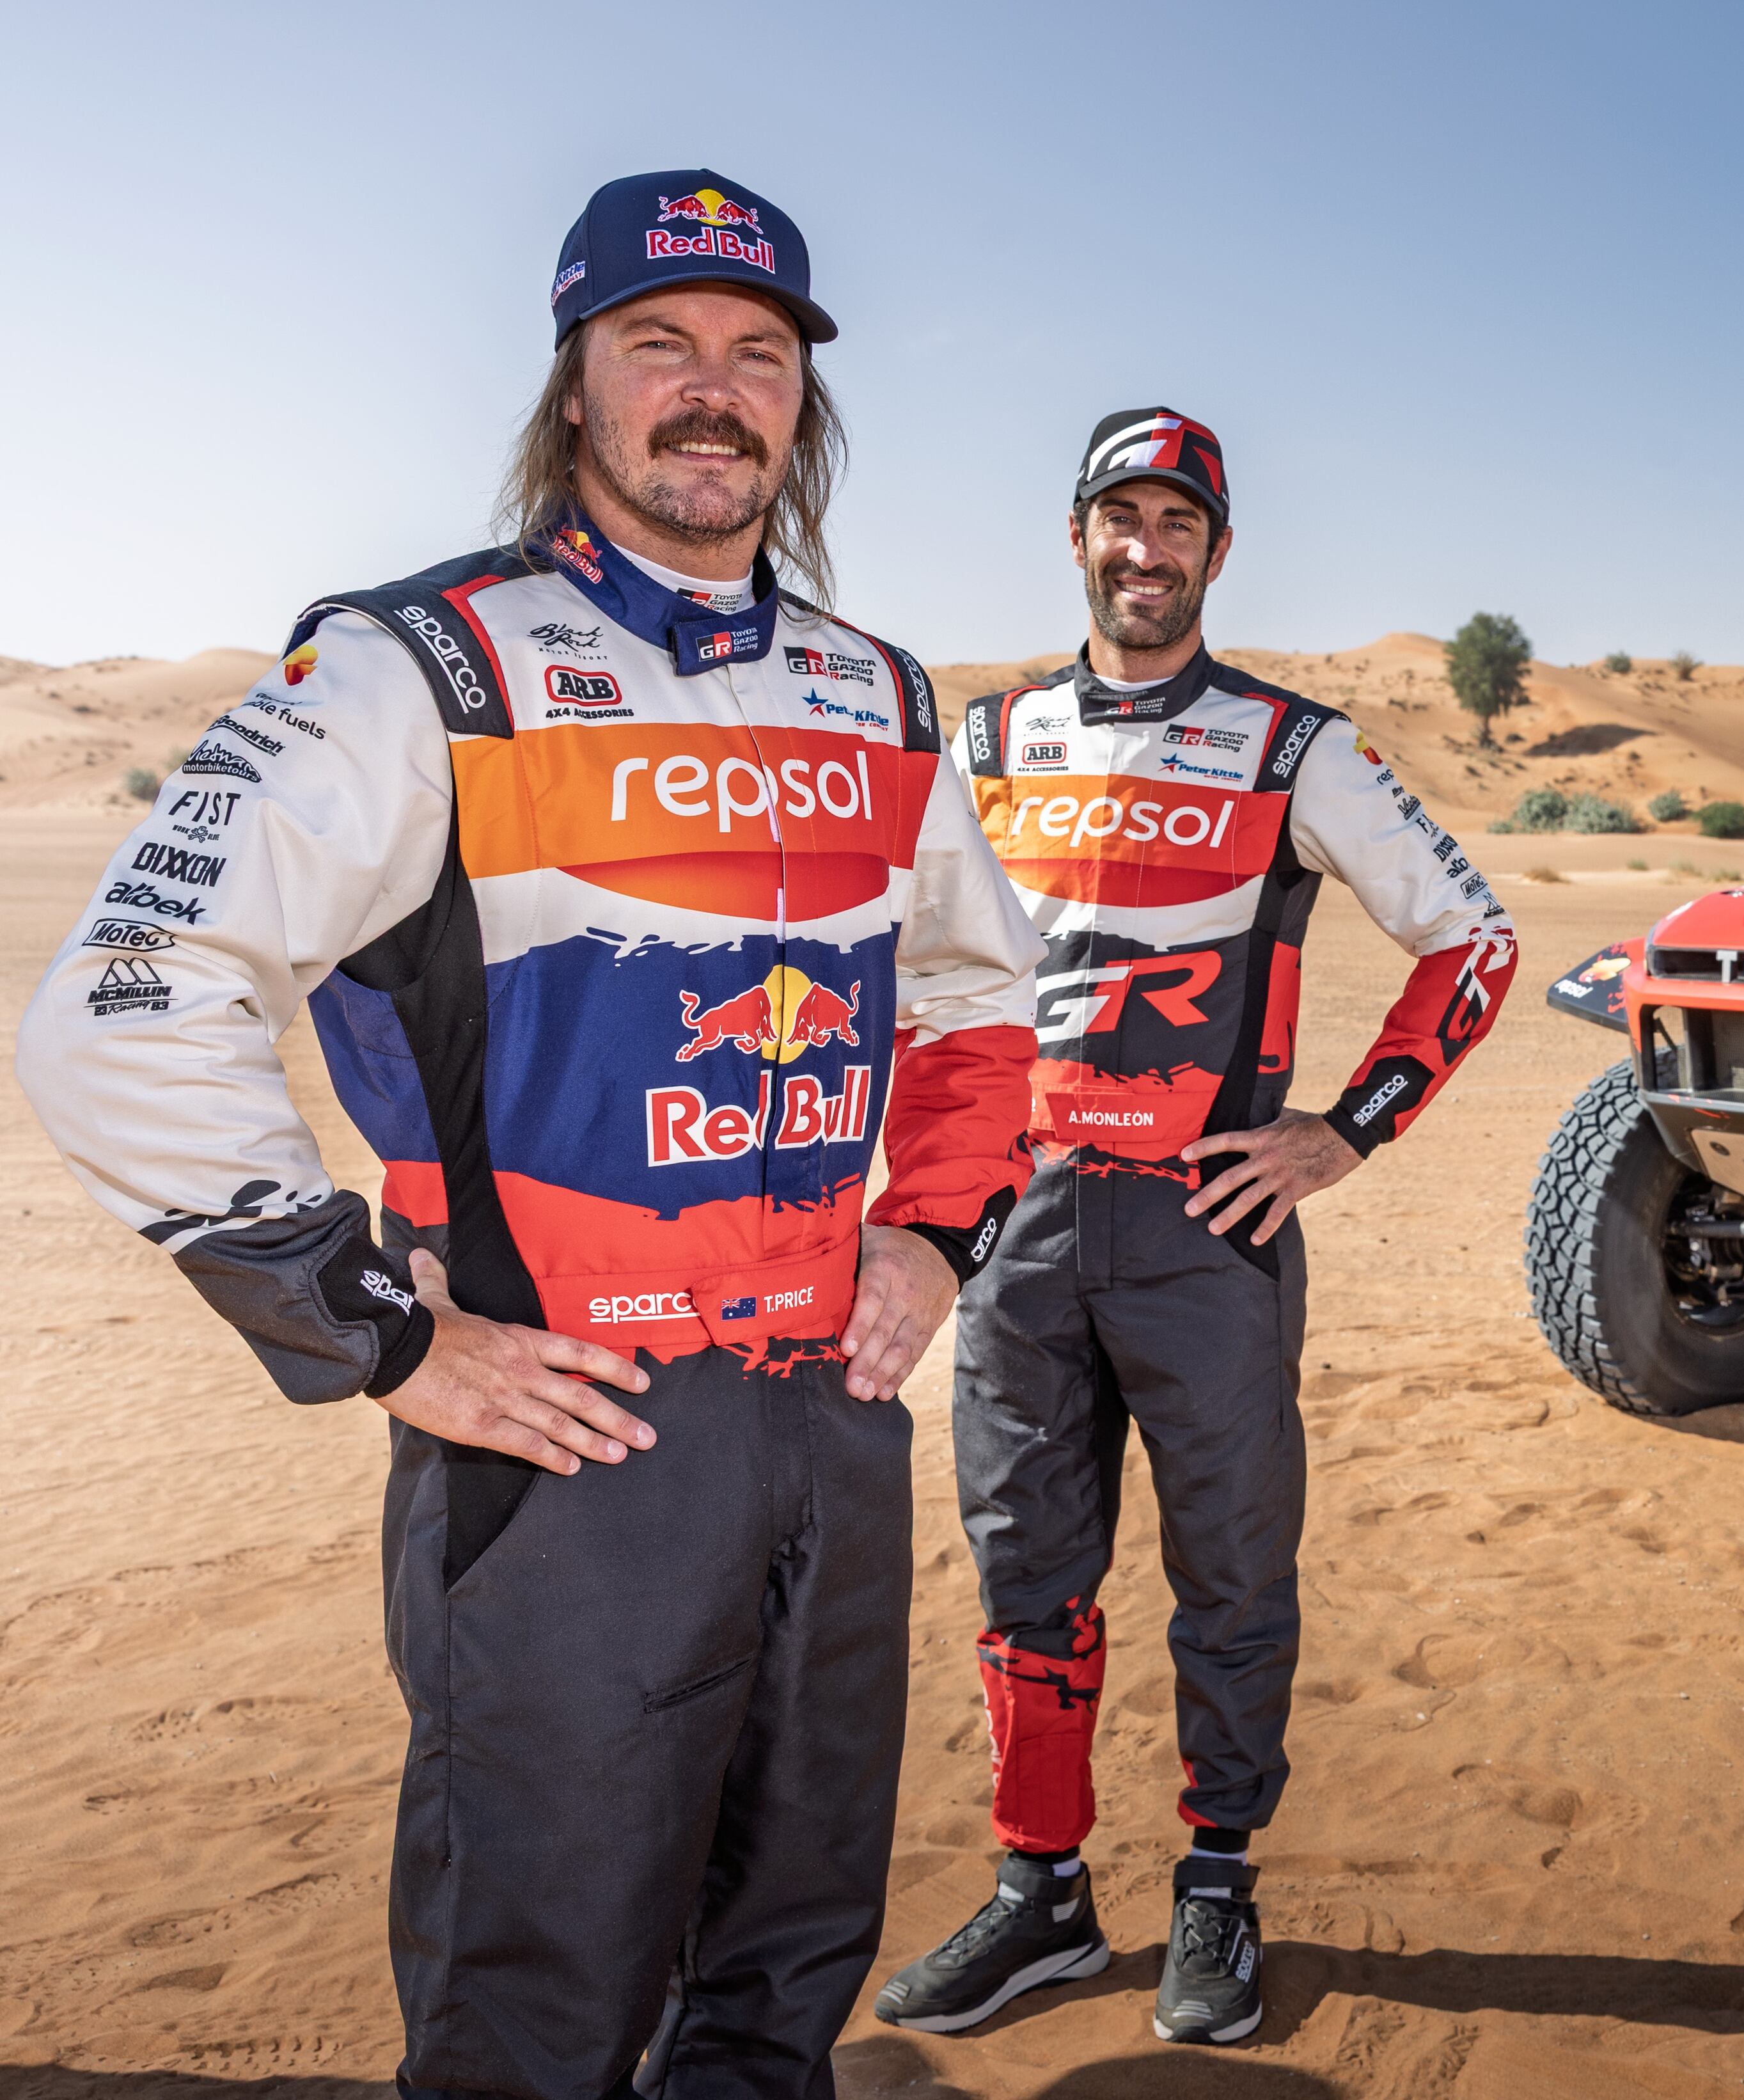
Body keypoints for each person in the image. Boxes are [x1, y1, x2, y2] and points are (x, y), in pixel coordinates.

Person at [13, 169, 1044, 2099]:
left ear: (801, 402)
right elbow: (125, 1000)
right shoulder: (420, 662)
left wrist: (934, 1233)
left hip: (832, 1421)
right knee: (541, 2007)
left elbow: (984, 995)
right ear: (578, 383)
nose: (713, 388)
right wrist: (376, 1333)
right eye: (660, 342)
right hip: (567, 1438)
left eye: (758, 352)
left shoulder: (882, 694)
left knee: (787, 1966)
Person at [870, 409, 1518, 2045]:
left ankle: (1218, 1880)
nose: (1144, 549)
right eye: (1120, 518)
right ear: (1077, 537)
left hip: (1203, 1231)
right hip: (1018, 1230)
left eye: (1176, 523)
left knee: (1232, 1571)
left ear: (1217, 551)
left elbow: (1474, 939)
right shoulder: (986, 742)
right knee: (1026, 1569)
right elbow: (907, 963)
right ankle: (1040, 1889)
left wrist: (1343, 1131)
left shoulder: (1296, 746)